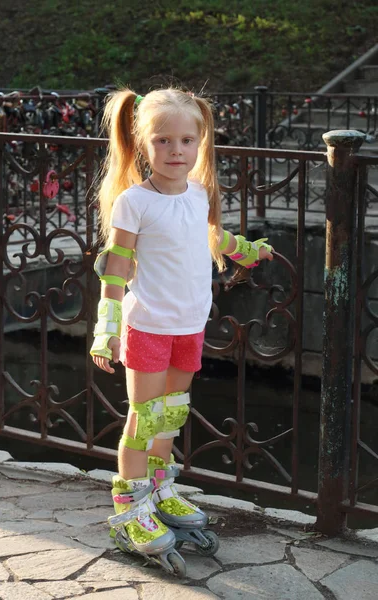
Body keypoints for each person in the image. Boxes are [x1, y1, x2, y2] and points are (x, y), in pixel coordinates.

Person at [90, 87, 274, 575]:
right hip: (148, 326)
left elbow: (207, 236)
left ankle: (159, 489)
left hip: (189, 325)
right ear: (143, 144)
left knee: (171, 415)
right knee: (144, 417)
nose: (177, 151)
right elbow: (116, 269)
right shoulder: (134, 202)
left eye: (187, 140)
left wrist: (247, 250)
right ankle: (129, 509)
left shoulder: (197, 192)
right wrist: (104, 331)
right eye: (164, 141)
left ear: (200, 142)